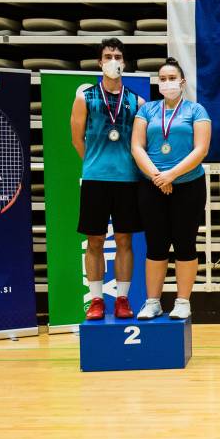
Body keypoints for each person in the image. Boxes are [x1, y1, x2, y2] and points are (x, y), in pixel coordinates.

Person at [129, 57, 211, 320]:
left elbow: (201, 149)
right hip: (152, 186)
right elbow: (137, 147)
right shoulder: (147, 110)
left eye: (172, 78)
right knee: (156, 244)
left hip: (189, 186)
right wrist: (158, 177)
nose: (167, 83)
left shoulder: (196, 110)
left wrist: (172, 175)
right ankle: (153, 302)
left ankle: (183, 301)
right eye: (162, 79)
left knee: (185, 243)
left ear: (182, 82)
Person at [70, 38, 145, 320]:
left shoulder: (137, 101)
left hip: (127, 180)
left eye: (118, 56)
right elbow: (77, 139)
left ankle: (122, 299)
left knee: (125, 240)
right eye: (108, 56)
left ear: (124, 62)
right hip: (95, 180)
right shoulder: (85, 97)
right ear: (100, 62)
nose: (113, 61)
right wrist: (95, 164)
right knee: (95, 240)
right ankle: (97, 299)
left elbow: (141, 143)